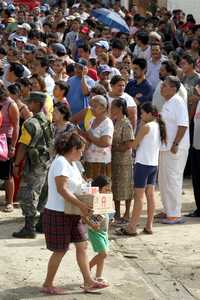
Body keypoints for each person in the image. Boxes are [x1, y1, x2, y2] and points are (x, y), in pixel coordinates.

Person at [42, 132, 108, 295]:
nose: (82, 153)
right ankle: (47, 284)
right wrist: (81, 205)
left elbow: (80, 187)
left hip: (72, 212)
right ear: (72, 149)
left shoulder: (72, 164)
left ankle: (88, 281)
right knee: (60, 250)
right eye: (80, 150)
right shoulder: (61, 163)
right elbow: (62, 190)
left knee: (82, 246)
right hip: (58, 213)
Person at [116, 102, 167, 235]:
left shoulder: (146, 127)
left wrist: (125, 141)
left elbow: (133, 145)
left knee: (138, 197)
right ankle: (149, 225)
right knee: (150, 196)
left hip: (143, 164)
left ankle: (132, 227)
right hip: (153, 164)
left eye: (143, 113)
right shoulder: (158, 125)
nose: (141, 115)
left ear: (149, 113)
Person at [12, 92, 53, 238]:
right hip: (46, 162)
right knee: (43, 193)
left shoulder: (30, 123)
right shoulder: (46, 120)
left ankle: (29, 228)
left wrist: (16, 164)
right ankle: (41, 224)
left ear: (36, 104)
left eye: (30, 102)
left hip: (34, 164)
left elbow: (23, 146)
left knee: (27, 193)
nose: (28, 104)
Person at [158, 76, 189, 224]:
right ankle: (167, 210)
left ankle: (175, 214)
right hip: (165, 147)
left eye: (165, 85)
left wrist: (176, 143)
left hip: (175, 147)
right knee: (163, 180)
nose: (162, 87)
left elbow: (183, 125)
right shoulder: (168, 102)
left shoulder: (178, 102)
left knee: (173, 180)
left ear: (173, 88)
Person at [83, 175, 110, 284]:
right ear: (98, 188)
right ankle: (87, 269)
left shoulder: (104, 199)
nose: (108, 191)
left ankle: (98, 276)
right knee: (103, 254)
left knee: (101, 255)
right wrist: (92, 224)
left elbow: (104, 213)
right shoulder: (92, 199)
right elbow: (85, 217)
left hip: (103, 231)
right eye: (106, 188)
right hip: (96, 232)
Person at [111, 98, 134, 223]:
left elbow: (129, 144)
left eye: (113, 107)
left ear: (119, 108)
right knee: (116, 187)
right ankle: (117, 213)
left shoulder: (126, 123)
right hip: (115, 159)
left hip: (124, 160)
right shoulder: (115, 121)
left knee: (126, 187)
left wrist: (115, 148)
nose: (111, 109)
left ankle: (126, 213)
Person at [83, 95, 114, 179]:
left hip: (101, 162)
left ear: (103, 108)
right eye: (91, 106)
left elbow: (106, 142)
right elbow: (89, 138)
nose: (91, 108)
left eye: (95, 106)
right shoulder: (92, 120)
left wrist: (91, 137)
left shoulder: (107, 123)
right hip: (89, 160)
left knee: (100, 189)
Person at [0, 82, 19, 212]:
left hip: (5, 140)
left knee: (7, 173)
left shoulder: (11, 104)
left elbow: (16, 126)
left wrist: (12, 146)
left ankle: (9, 202)